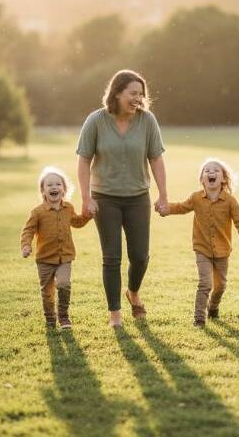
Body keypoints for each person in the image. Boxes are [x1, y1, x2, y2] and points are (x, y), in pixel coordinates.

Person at [76, 70, 168, 328]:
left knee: (140, 256)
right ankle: (115, 314)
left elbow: (156, 159)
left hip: (138, 197)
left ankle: (133, 291)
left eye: (141, 94)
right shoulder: (96, 121)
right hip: (105, 198)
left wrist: (163, 194)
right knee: (112, 256)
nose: (138, 98)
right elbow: (83, 161)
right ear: (117, 93)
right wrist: (86, 198)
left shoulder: (147, 120)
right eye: (133, 93)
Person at [160, 158, 239, 327]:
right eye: (207, 170)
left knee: (220, 286)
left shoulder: (230, 201)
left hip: (223, 250)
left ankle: (213, 306)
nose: (211, 172)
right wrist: (167, 208)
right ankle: (199, 318)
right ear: (202, 179)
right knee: (205, 283)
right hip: (202, 248)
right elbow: (181, 207)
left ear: (223, 178)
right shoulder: (196, 198)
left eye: (216, 170)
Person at [20, 166, 91, 329]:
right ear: (43, 191)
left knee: (64, 284)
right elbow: (28, 230)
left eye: (58, 184)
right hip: (44, 259)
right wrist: (26, 245)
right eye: (49, 185)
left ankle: (64, 316)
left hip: (64, 257)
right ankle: (50, 318)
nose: (54, 187)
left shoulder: (69, 208)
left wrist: (88, 215)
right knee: (47, 291)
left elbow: (77, 222)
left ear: (64, 189)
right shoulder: (38, 212)